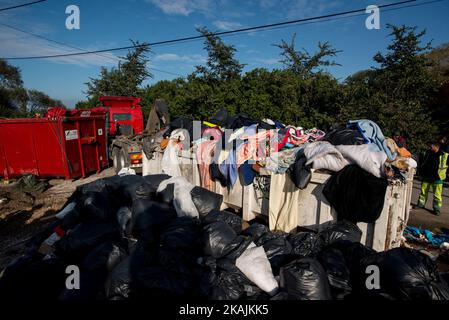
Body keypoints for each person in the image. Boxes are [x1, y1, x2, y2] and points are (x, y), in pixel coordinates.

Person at [417, 141, 448, 215]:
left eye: (431, 147)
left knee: (437, 195)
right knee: (423, 192)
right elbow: (423, 162)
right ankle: (420, 204)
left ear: (436, 147)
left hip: (438, 178)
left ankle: (436, 209)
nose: (430, 148)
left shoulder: (444, 155)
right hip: (427, 176)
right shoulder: (427, 153)